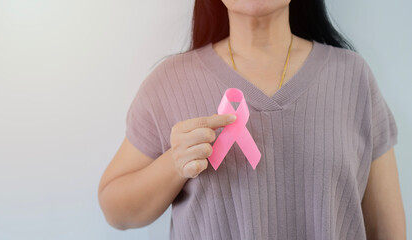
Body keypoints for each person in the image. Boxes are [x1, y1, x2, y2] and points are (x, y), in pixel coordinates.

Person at [98, 0, 406, 239]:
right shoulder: (169, 83)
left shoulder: (353, 78)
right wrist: (173, 164)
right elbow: (115, 209)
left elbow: (388, 232)